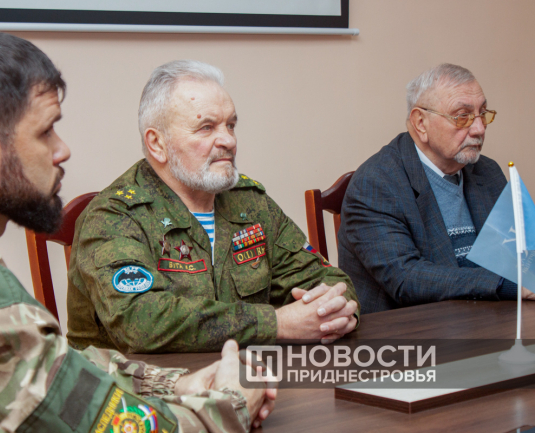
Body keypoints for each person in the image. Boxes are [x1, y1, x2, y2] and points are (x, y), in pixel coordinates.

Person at [0, 30, 275, 432]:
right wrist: (234, 403)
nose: (62, 150)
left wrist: (172, 383)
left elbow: (51, 366)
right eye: (45, 131)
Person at [66, 60, 359, 354]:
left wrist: (335, 313)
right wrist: (277, 324)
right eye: (206, 127)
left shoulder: (251, 203)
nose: (228, 140)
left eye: (230, 125)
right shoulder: (114, 215)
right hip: (139, 381)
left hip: (249, 374)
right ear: (157, 144)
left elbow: (328, 280)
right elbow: (141, 321)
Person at [337, 63, 535, 314]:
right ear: (421, 123)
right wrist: (508, 285)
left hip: (486, 320)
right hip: (411, 330)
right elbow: (406, 279)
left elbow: (521, 254)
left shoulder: (487, 171)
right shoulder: (376, 183)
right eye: (462, 116)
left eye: (483, 113)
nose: (479, 128)